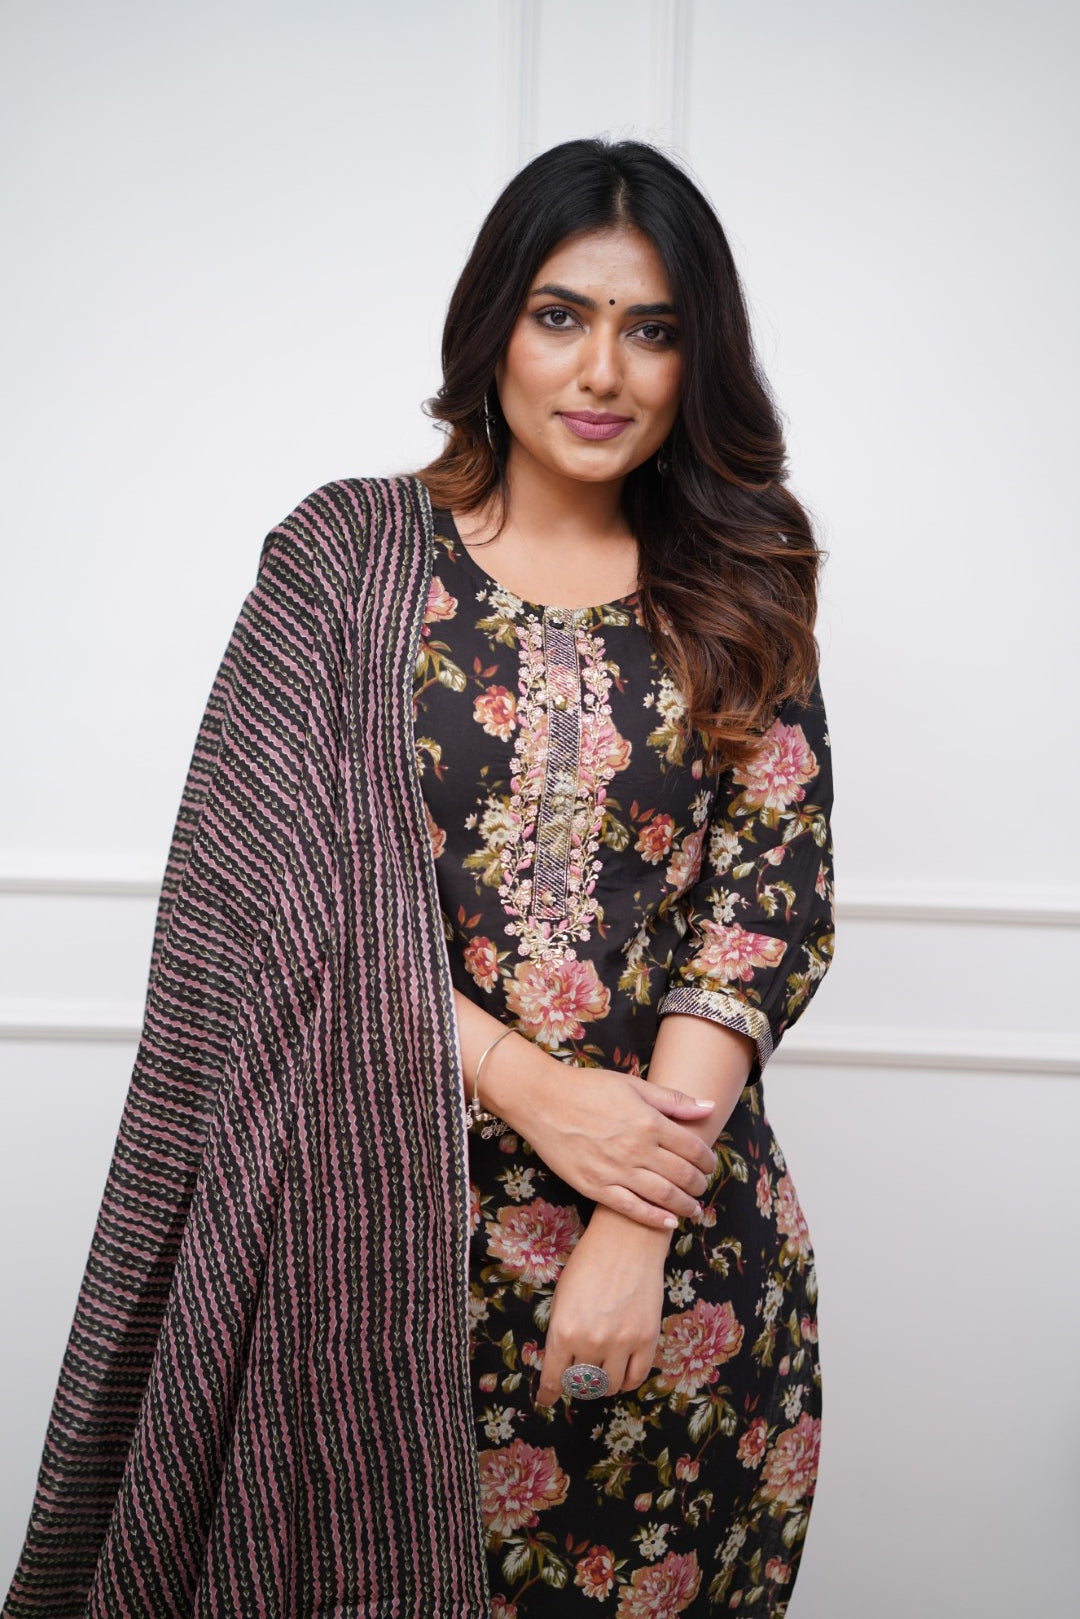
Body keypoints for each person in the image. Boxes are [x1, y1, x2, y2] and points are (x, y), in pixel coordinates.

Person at [5, 138, 835, 1619]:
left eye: (652, 330)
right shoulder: (346, 559)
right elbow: (258, 900)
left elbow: (763, 910)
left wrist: (634, 1226)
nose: (603, 372)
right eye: (561, 315)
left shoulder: (741, 576)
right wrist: (533, 1089)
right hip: (370, 1252)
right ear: (494, 325)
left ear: (699, 359)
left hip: (675, 1271)